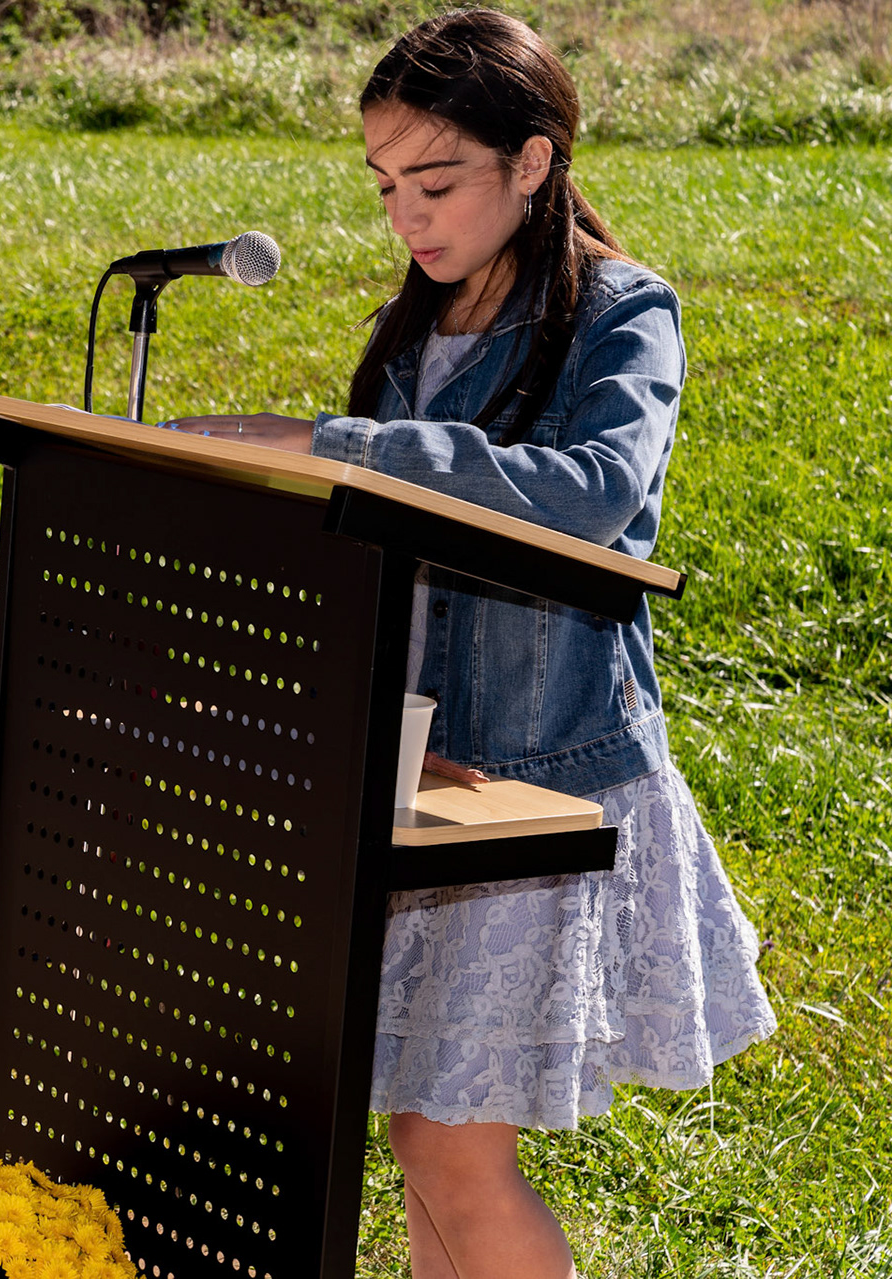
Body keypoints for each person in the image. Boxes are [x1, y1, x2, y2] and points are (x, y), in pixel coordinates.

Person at [172, 11, 776, 1277]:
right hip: (425, 772)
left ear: (534, 161)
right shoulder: (415, 327)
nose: (407, 215)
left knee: (450, 1146)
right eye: (386, 185)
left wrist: (333, 445)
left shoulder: (622, 312)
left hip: (547, 776)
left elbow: (594, 494)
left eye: (436, 182)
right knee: (420, 1134)